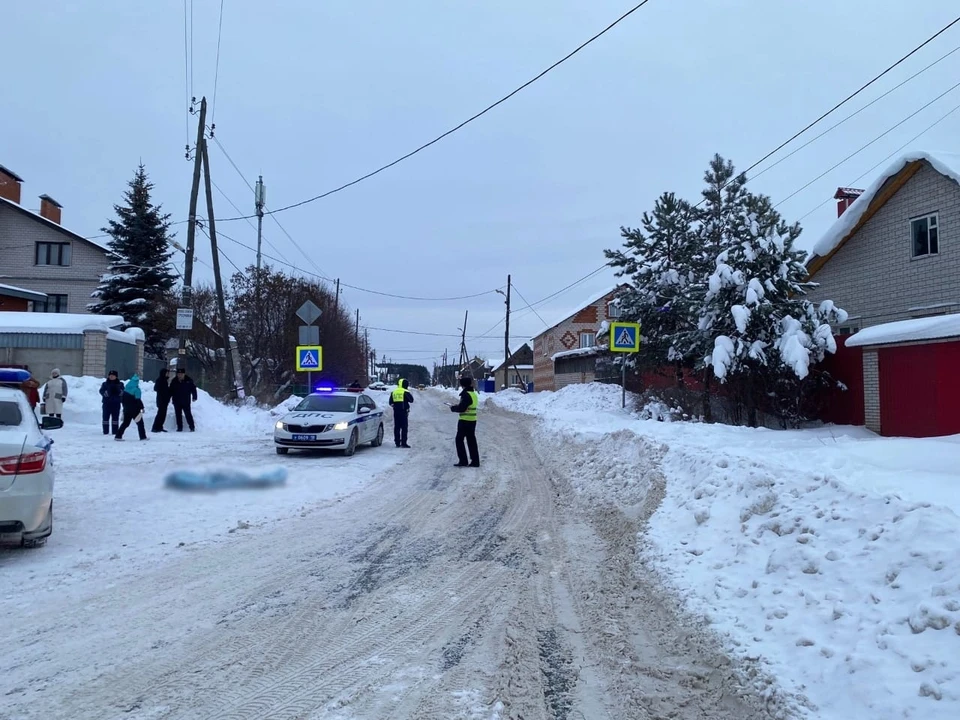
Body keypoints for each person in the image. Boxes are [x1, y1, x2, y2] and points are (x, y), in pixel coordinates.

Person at [449, 376, 479, 467]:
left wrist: (453, 408)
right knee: (471, 441)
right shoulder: (473, 394)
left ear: (462, 385)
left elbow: (462, 408)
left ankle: (463, 461)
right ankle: (475, 461)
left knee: (459, 440)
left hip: (465, 421)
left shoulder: (466, 394)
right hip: (472, 420)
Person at [115, 375, 148, 441]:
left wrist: (124, 408)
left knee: (125, 423)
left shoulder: (126, 389)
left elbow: (122, 400)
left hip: (127, 409)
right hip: (135, 410)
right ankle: (143, 437)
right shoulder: (136, 390)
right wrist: (142, 407)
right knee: (140, 423)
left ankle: (118, 436)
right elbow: (138, 400)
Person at [388, 378, 414, 448]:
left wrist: (395, 405)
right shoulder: (405, 391)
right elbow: (411, 400)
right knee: (404, 427)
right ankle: (403, 443)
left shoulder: (394, 392)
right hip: (403, 411)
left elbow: (390, 402)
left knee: (397, 427)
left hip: (396, 412)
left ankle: (397, 442)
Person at [170, 368, 198, 432]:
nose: (180, 375)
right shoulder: (174, 381)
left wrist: (194, 397)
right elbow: (171, 390)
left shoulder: (188, 380)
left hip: (186, 401)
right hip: (176, 401)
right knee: (178, 415)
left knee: (188, 414)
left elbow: (193, 389)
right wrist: (168, 397)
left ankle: (192, 427)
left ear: (184, 374)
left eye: (181, 374)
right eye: (178, 374)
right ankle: (179, 427)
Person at [99, 369, 124, 436]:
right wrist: (107, 392)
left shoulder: (120, 384)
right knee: (105, 418)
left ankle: (115, 432)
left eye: (113, 375)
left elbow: (122, 393)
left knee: (115, 418)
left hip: (116, 404)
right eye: (110, 375)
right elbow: (101, 391)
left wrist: (118, 390)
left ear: (116, 376)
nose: (111, 377)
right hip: (106, 404)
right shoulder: (105, 384)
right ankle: (105, 431)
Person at [151, 368, 171, 433]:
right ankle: (155, 427)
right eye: (167, 373)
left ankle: (160, 426)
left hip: (164, 400)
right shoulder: (160, 380)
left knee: (163, 414)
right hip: (161, 400)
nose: (168, 374)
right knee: (160, 414)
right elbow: (156, 388)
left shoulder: (165, 380)